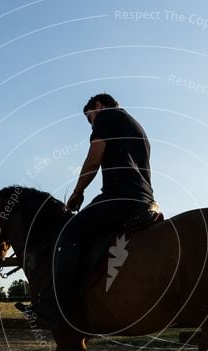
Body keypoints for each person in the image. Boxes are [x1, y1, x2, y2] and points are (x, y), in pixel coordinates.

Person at [31, 93, 155, 330]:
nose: (92, 124)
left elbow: (94, 158)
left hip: (119, 197)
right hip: (145, 200)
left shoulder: (106, 117)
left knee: (67, 235)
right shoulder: (138, 127)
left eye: (90, 118)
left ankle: (55, 306)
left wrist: (77, 192)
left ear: (98, 106)